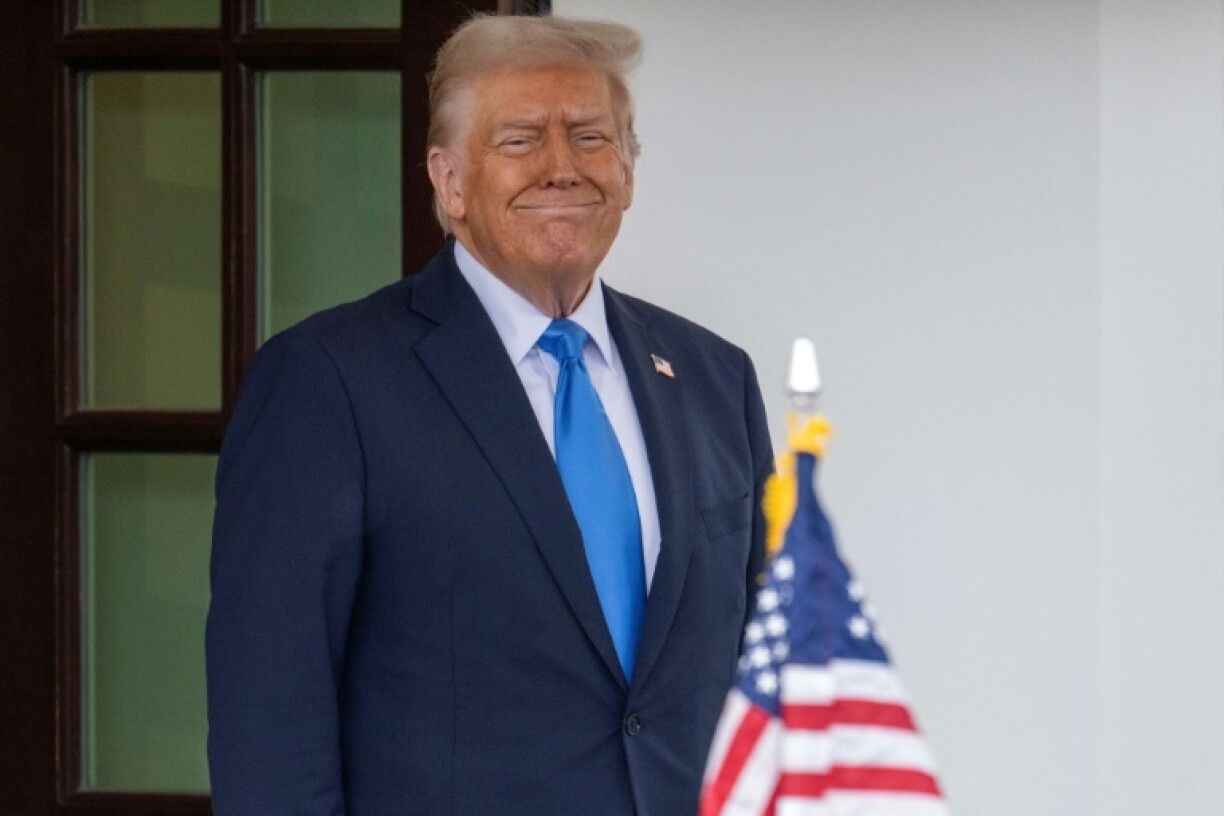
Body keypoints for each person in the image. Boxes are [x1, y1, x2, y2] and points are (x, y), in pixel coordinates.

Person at [206, 14, 773, 816]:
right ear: (449, 180)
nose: (560, 166)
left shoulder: (716, 379)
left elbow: (763, 675)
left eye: (590, 136)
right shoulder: (329, 380)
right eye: (518, 140)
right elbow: (268, 710)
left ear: (629, 171)